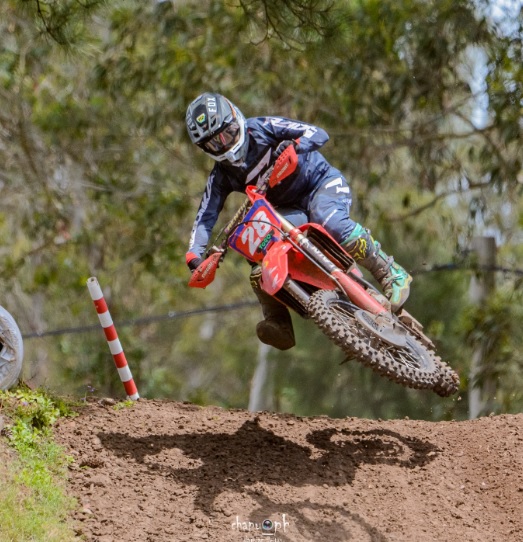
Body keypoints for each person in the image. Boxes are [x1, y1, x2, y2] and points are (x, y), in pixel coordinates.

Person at [185, 92, 412, 351]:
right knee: (261, 254)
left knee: (331, 222)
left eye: (228, 133)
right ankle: (278, 322)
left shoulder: (263, 127)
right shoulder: (221, 175)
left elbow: (318, 133)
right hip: (288, 210)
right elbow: (205, 216)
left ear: (236, 117)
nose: (224, 143)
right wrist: (195, 256)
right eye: (214, 143)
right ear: (205, 149)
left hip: (320, 184)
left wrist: (296, 145)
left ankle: (390, 273)